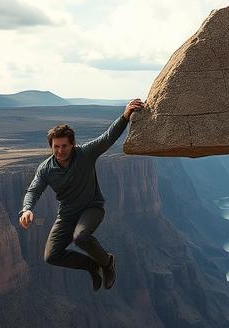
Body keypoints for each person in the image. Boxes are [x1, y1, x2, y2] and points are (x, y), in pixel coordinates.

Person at [18, 99, 144, 291]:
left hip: (92, 207)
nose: (60, 151)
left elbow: (107, 138)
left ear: (73, 145)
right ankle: (91, 265)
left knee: (80, 237)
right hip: (68, 214)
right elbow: (34, 190)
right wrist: (27, 209)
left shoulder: (85, 154)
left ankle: (107, 262)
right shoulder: (46, 169)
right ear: (51, 146)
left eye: (64, 146)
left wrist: (125, 116)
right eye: (56, 147)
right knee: (51, 256)